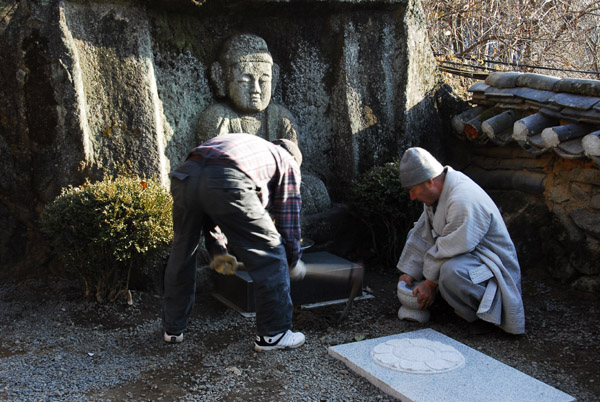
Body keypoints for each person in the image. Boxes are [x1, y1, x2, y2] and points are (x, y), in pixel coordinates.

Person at [162, 133, 307, 351]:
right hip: (225, 177)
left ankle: (172, 329)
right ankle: (274, 334)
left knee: (183, 251)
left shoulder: (250, 148)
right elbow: (288, 218)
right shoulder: (287, 161)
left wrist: (219, 251)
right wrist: (292, 259)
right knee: (270, 251)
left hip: (186, 175)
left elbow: (213, 198)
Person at [396, 147, 525, 335]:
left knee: (451, 272)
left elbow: (452, 246)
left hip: (492, 266)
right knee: (416, 236)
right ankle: (451, 303)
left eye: (413, 190)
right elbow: (423, 234)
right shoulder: (438, 194)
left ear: (430, 181)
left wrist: (430, 284)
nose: (412, 197)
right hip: (466, 256)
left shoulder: (462, 198)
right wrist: (410, 271)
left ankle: (482, 318)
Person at [196, 33, 298, 145]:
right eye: (245, 81)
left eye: (263, 80)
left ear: (273, 80)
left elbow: (292, 158)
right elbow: (212, 157)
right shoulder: (218, 116)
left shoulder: (281, 117)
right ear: (222, 79)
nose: (256, 89)